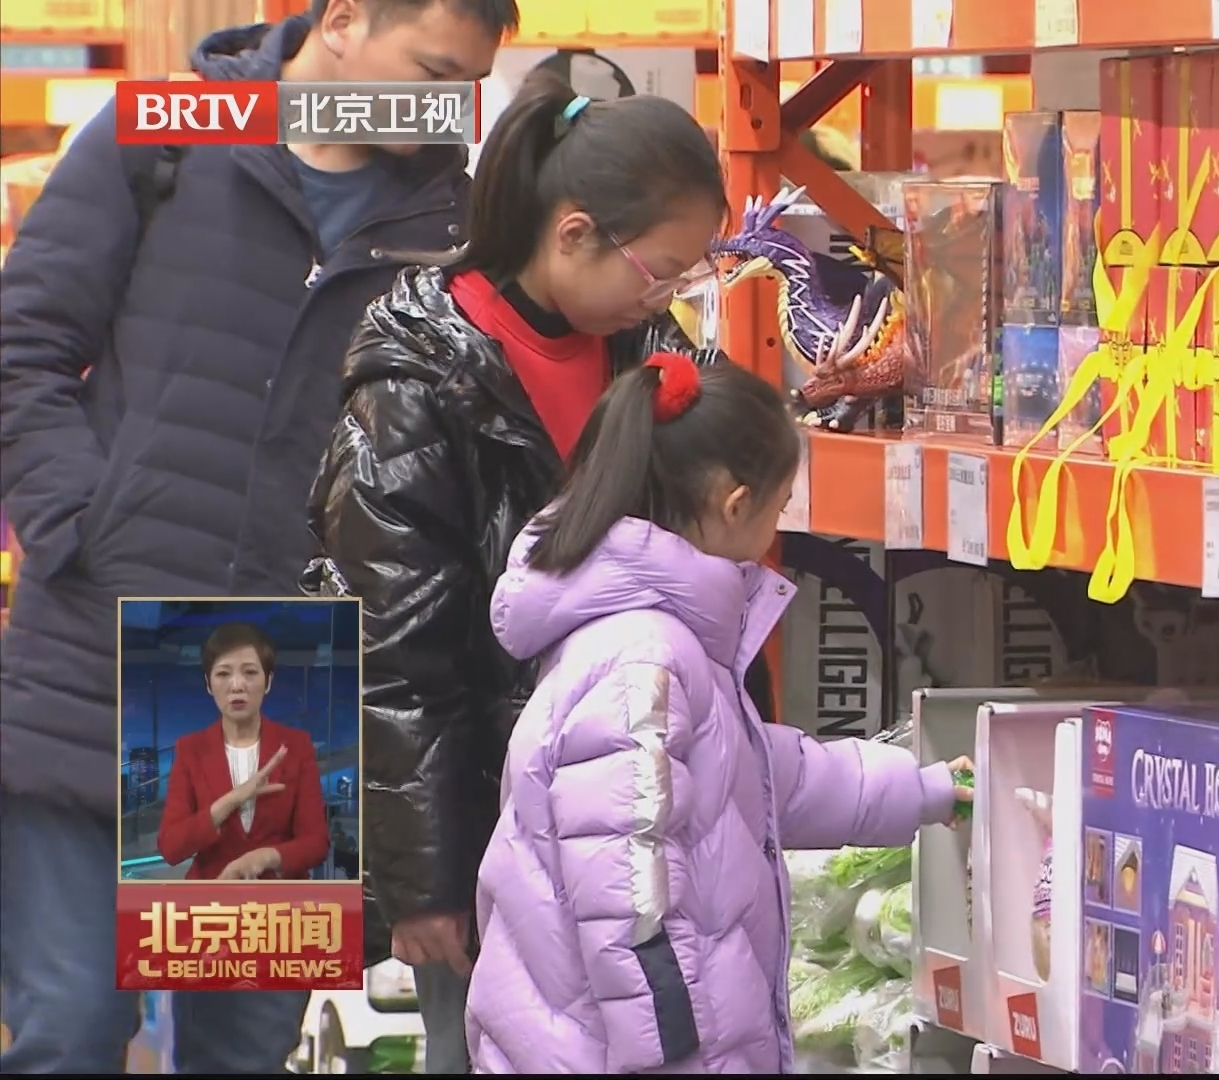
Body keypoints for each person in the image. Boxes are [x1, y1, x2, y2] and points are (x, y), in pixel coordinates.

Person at [0, 1, 515, 1072]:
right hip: (95, 647)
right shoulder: (165, 135)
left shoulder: (454, 224)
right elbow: (25, 341)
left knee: (243, 1052)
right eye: (425, 69)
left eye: (460, 86)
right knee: (69, 1027)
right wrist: (76, 520)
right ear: (341, 21)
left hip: (293, 683)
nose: (436, 110)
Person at [303, 73, 769, 1074]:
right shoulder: (416, 390)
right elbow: (396, 653)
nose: (668, 296)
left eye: (685, 279)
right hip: (490, 835)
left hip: (640, 821)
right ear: (572, 234)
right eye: (660, 270)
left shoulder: (646, 357)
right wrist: (423, 878)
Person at [465, 355, 972, 1073]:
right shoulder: (643, 659)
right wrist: (674, 1056)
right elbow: (628, 897)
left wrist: (919, 790)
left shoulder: (659, 644)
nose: (776, 527)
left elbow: (761, 778)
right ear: (737, 506)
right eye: (780, 504)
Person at [154, 622, 331, 884]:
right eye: (223, 674)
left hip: (280, 904)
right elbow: (170, 847)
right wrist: (233, 799)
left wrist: (265, 857)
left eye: (250, 672)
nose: (237, 685)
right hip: (212, 901)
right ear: (208, 684)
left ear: (268, 681)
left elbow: (316, 843)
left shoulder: (296, 746)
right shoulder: (190, 749)